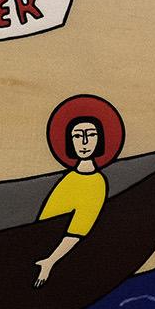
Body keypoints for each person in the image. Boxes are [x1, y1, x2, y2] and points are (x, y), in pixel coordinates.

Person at [33, 95, 124, 287]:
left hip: (55, 250)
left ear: (100, 139)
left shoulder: (97, 183)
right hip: (41, 240)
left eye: (90, 135)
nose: (84, 142)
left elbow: (77, 231)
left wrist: (51, 261)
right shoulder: (68, 178)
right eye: (77, 136)